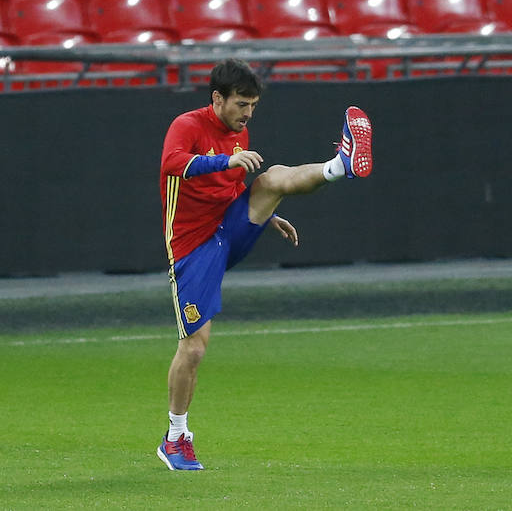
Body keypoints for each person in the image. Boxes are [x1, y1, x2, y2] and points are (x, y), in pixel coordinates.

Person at [157, 58, 373, 471]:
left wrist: (266, 215)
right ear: (217, 99)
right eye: (241, 104)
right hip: (192, 248)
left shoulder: (240, 131)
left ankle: (339, 166)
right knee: (195, 348)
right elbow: (172, 164)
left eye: (253, 105)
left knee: (272, 179)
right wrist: (226, 163)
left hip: (229, 230)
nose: (248, 113)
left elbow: (233, 187)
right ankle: (175, 436)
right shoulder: (187, 125)